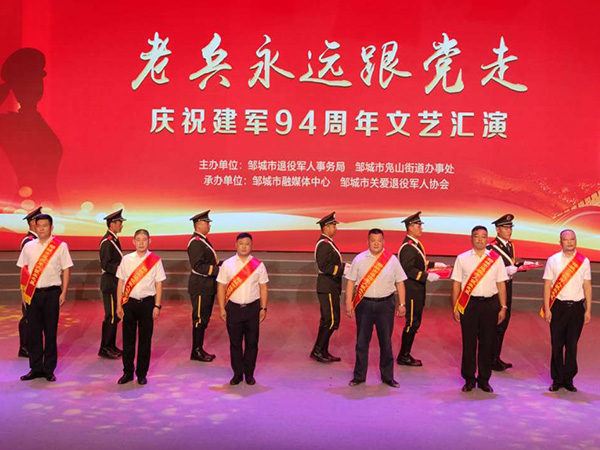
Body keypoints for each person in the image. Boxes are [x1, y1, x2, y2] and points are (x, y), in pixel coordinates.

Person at [345, 229, 407, 388]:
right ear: (368, 242)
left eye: (379, 241)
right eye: (373, 241)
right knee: (361, 342)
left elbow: (400, 282)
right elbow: (351, 281)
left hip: (385, 305)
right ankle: (359, 376)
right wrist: (348, 302)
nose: (376, 244)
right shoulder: (359, 259)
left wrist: (402, 304)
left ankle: (388, 377)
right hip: (364, 305)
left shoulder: (392, 260)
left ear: (383, 242)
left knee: (386, 342)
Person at [451, 226, 508, 393]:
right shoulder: (462, 258)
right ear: (472, 238)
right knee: (468, 343)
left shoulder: (495, 259)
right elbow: (456, 285)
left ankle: (484, 379)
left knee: (487, 343)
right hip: (469, 304)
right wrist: (455, 307)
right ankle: (469, 378)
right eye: (477, 236)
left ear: (487, 239)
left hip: (490, 304)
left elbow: (501, 284)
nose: (480, 240)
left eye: (484, 236)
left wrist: (503, 306)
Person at [17, 213, 73, 382]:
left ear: (51, 227)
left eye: (45, 226)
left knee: (50, 332)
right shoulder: (28, 246)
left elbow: (66, 269)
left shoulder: (60, 246)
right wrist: (23, 294)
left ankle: (49, 369)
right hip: (33, 294)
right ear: (34, 227)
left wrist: (64, 292)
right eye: (38, 226)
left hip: (52, 294)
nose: (41, 229)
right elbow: (23, 270)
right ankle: (35, 368)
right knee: (33, 332)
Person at [542, 229, 592, 393]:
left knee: (572, 346)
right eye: (566, 239)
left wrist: (588, 309)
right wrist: (547, 308)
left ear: (576, 241)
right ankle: (557, 379)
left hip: (577, 308)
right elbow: (547, 285)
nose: (569, 242)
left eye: (572, 239)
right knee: (557, 345)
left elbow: (587, 286)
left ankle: (569, 379)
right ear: (560, 242)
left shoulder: (583, 261)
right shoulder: (553, 260)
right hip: (558, 307)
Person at [217, 233, 269, 386]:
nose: (244, 246)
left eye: (247, 244)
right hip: (233, 309)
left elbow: (263, 287)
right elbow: (221, 286)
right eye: (241, 243)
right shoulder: (227, 264)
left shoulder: (258, 265)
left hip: (252, 309)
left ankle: (250, 374)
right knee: (235, 344)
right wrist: (221, 308)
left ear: (251, 246)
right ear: (236, 245)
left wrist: (263, 308)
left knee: (252, 343)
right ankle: (237, 374)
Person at [115, 229, 166, 385]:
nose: (141, 243)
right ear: (133, 241)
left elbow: (159, 284)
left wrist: (157, 306)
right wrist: (119, 305)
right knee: (128, 340)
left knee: (145, 340)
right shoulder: (126, 259)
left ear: (149, 241)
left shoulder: (155, 260)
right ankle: (128, 372)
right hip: (129, 303)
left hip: (147, 304)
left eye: (144, 240)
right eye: (138, 240)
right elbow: (120, 282)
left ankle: (142, 373)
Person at [396, 211, 446, 367]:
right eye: (418, 225)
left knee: (415, 322)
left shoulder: (415, 244)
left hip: (417, 290)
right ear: (410, 227)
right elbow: (408, 269)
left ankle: (405, 354)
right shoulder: (408, 247)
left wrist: (434, 265)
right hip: (411, 291)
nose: (421, 228)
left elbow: (419, 262)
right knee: (412, 323)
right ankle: (404, 355)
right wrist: (426, 276)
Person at [311, 212, 345, 363]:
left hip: (331, 286)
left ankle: (322, 350)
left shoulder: (328, 242)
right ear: (325, 227)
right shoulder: (324, 244)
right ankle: (318, 350)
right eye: (333, 225)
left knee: (328, 319)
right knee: (331, 320)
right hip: (327, 285)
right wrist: (343, 269)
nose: (335, 228)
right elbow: (324, 266)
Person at [487, 214, 519, 371]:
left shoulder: (510, 246)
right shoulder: (491, 248)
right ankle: (489, 358)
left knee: (503, 325)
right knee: (496, 325)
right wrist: (505, 270)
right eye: (505, 228)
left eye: (510, 227)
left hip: (508, 288)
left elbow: (509, 264)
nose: (509, 231)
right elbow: (488, 270)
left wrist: (520, 265)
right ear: (497, 229)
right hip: (497, 290)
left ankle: (495, 357)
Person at [187, 210, 220, 362]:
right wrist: (218, 270)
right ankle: (196, 350)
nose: (209, 225)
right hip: (201, 286)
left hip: (206, 286)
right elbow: (198, 266)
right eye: (207, 223)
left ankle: (199, 349)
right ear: (199, 224)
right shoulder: (196, 242)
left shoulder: (202, 240)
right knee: (199, 318)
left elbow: (209, 261)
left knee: (204, 318)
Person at [98, 209, 126, 359]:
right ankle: (105, 347)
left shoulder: (113, 239)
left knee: (116, 316)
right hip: (110, 284)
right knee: (111, 316)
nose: (121, 225)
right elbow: (106, 264)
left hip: (115, 283)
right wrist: (122, 270)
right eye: (120, 222)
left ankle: (111, 345)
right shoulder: (107, 242)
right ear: (112, 224)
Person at [17, 206, 42, 358]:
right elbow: (26, 266)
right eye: (39, 221)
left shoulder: (38, 240)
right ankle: (24, 346)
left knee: (35, 316)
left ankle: (31, 345)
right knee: (28, 316)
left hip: (39, 282)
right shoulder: (28, 241)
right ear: (32, 222)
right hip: (30, 283)